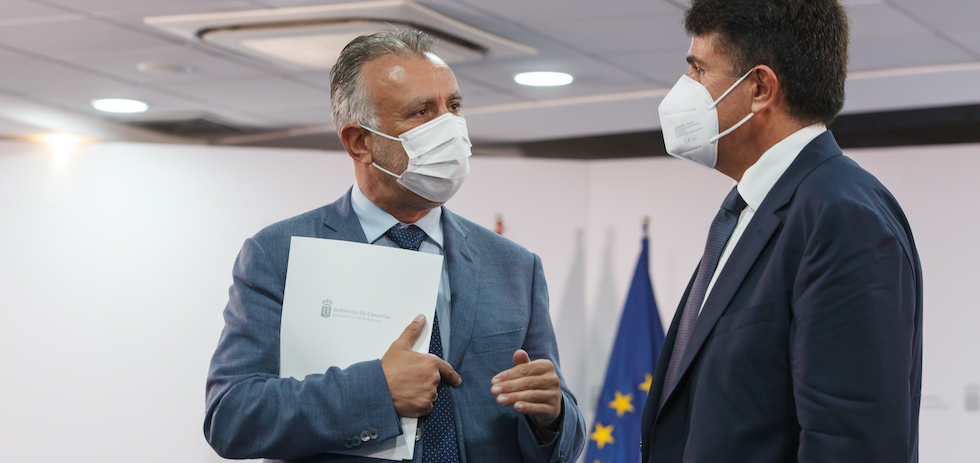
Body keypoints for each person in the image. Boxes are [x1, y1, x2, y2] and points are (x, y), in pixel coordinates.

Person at [204, 30, 586, 463]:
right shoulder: (278, 254)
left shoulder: (515, 266)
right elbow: (232, 417)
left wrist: (552, 417)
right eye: (422, 112)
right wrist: (377, 391)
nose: (450, 127)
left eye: (454, 107)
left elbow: (563, 443)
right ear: (359, 142)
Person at [639, 1, 922, 462]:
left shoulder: (842, 216)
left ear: (760, 88)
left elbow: (852, 445)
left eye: (697, 69)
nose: (683, 88)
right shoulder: (751, 210)